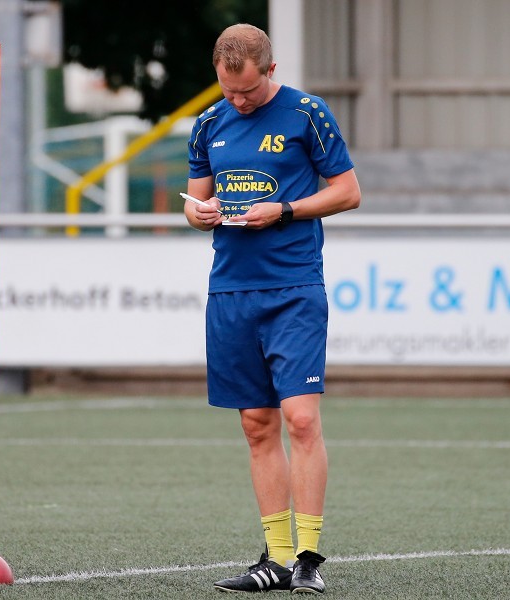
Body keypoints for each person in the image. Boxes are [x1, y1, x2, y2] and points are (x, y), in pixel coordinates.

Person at [185, 24, 361, 595]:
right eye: (228, 91)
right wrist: (202, 213)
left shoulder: (307, 113)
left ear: (271, 70)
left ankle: (308, 555)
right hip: (230, 290)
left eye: (249, 92)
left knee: (301, 419)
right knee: (256, 425)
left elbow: (348, 191)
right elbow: (197, 200)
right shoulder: (208, 123)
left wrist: (283, 210)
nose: (238, 102)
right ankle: (276, 558)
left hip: (293, 287)